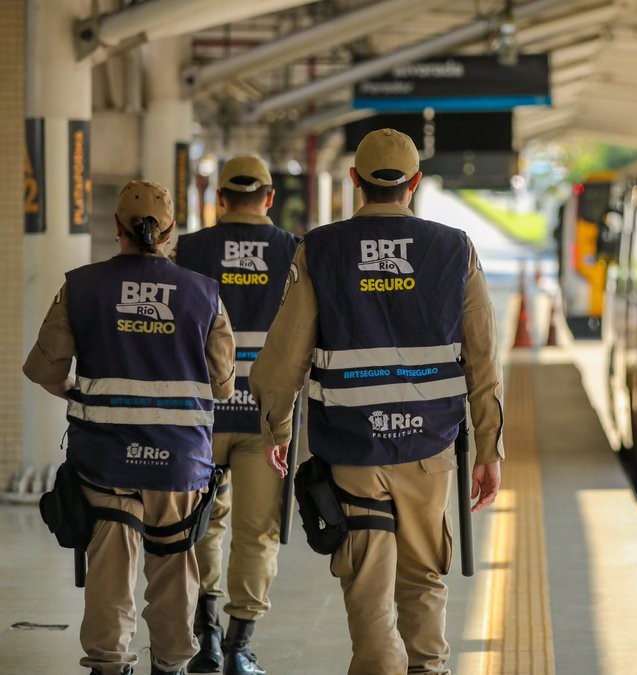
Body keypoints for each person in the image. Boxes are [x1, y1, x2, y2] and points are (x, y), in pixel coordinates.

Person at [249, 128, 504, 674]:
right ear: (414, 182)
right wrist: (489, 448)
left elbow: (285, 353)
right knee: (423, 579)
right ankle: (428, 669)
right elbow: (482, 359)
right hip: (428, 449)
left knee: (366, 585)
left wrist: (278, 428)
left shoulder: (320, 249)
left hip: (352, 450)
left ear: (354, 181)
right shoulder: (455, 248)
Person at [23, 181, 236, 675]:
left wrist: (79, 391)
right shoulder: (204, 294)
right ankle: (173, 665)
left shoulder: (81, 285)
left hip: (105, 460)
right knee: (174, 568)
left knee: (110, 572)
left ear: (116, 228)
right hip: (180, 462)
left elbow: (45, 370)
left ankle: (108, 664)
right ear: (170, 233)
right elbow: (222, 386)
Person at [173, 156, 300, 675]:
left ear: (220, 198)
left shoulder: (190, 249)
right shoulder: (293, 250)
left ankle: (203, 638)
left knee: (201, 524)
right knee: (258, 529)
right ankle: (238, 646)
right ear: (268, 198)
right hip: (266, 418)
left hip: (201, 414)